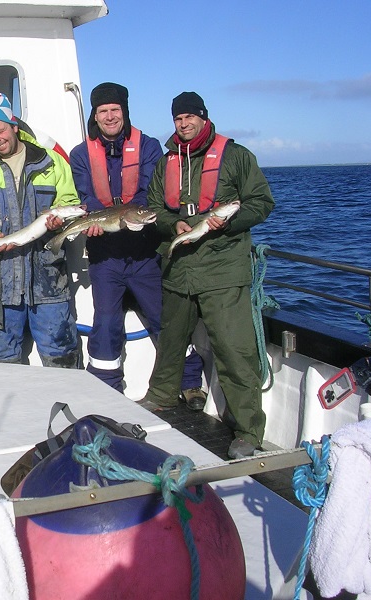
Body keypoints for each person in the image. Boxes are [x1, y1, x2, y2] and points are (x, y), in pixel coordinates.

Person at [140, 91, 275, 459]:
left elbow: (262, 202)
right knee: (170, 342)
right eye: (177, 119)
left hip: (223, 270)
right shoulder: (167, 161)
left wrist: (227, 224)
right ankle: (161, 396)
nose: (183, 124)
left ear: (203, 117)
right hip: (179, 269)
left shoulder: (236, 156)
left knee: (235, 350)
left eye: (189, 117)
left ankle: (248, 431)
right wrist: (173, 223)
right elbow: (155, 209)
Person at [68, 82, 205, 401]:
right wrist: (95, 219)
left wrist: (131, 216)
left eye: (115, 109)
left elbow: (151, 192)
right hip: (105, 258)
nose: (110, 116)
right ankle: (106, 390)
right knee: (105, 322)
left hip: (145, 253)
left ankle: (189, 382)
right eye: (103, 111)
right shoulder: (80, 154)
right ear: (96, 115)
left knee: (163, 317)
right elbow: (84, 194)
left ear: (124, 112)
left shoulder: (149, 147)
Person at [0, 92, 82, 368]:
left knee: (60, 356)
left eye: (0, 130)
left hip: (49, 279)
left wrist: (59, 221)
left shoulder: (51, 161)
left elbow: (70, 202)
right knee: (3, 363)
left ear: (14, 126)